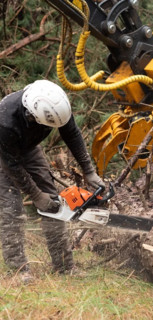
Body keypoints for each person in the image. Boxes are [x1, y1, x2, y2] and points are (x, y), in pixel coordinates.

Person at [0, 79, 105, 279]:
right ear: (31, 116)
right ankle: (18, 270)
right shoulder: (5, 121)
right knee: (11, 209)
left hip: (28, 148)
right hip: (3, 155)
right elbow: (11, 165)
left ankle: (64, 266)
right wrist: (35, 194)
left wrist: (88, 170)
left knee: (53, 203)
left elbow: (72, 134)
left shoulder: (55, 104)